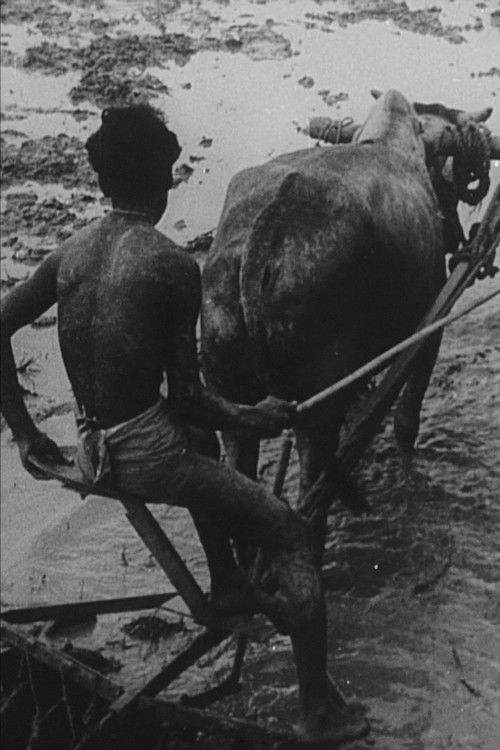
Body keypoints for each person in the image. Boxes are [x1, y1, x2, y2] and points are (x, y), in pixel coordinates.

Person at [1, 105, 367, 744]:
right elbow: (194, 399)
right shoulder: (171, 265)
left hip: (91, 449)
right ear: (162, 181)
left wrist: (27, 433)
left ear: (105, 180)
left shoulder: (70, 253)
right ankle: (318, 712)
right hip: (146, 457)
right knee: (291, 532)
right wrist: (258, 415)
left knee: (197, 445)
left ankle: (226, 581)